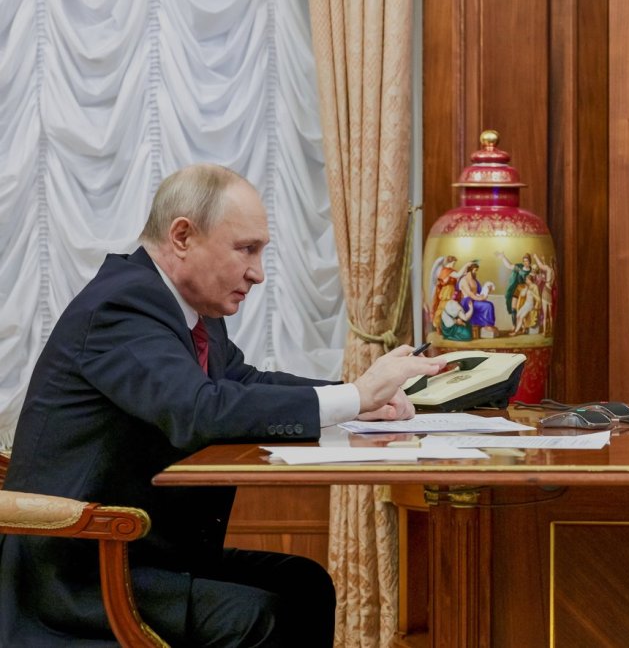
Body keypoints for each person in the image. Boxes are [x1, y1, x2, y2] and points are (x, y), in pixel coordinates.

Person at [0, 164, 446, 647]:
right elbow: (199, 410)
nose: (257, 273)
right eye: (246, 249)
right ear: (182, 236)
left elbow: (244, 381)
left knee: (305, 585)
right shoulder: (122, 305)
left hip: (141, 554)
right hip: (76, 575)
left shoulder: (190, 310)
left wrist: (357, 400)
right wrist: (356, 396)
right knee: (258, 618)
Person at [457, 261, 497, 338]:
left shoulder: (474, 280)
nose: (476, 272)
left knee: (489, 304)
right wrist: (481, 298)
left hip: (475, 300)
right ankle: (487, 325)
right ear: (469, 270)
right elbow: (470, 294)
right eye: (475, 270)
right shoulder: (463, 280)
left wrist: (487, 290)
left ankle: (489, 325)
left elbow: (480, 292)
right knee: (487, 306)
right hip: (467, 302)